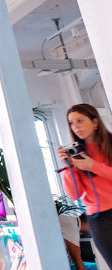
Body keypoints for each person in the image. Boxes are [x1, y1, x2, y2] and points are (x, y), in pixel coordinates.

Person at [58, 103, 112, 267]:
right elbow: (74, 194)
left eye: (80, 121)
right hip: (99, 220)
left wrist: (94, 166)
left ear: (95, 122)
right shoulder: (77, 153)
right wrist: (69, 168)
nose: (76, 126)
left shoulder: (110, 145)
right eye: (71, 123)